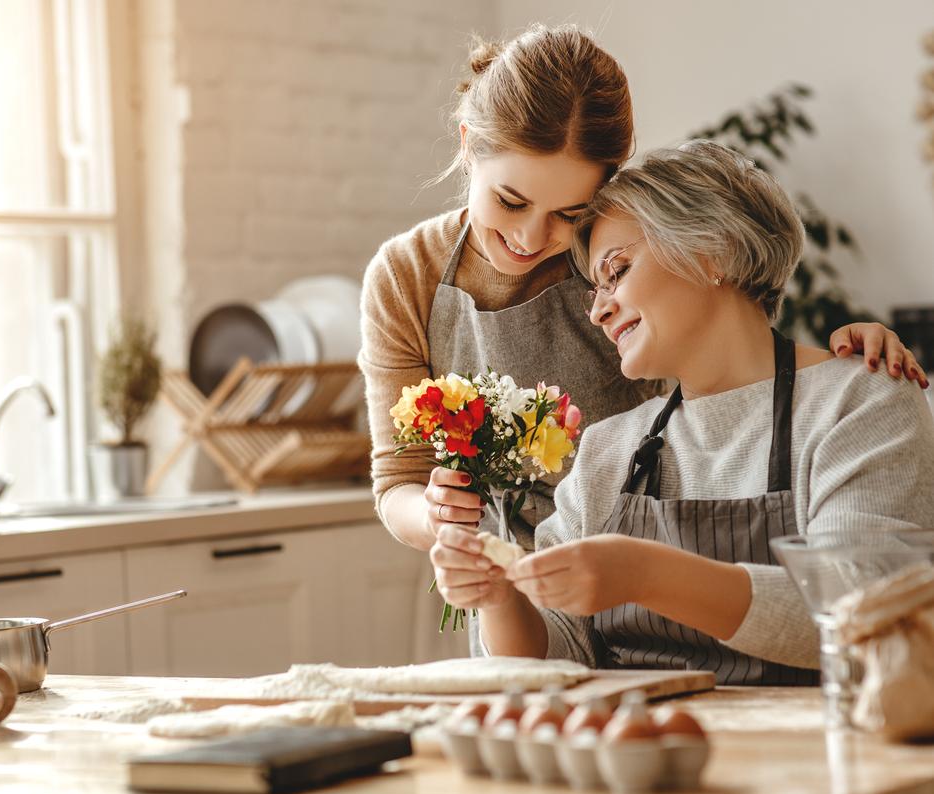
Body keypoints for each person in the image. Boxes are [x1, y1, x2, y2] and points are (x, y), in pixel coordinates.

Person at [360, 24, 925, 559]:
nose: (531, 238)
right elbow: (397, 482)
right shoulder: (406, 277)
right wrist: (440, 517)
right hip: (507, 588)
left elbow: (728, 382)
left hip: (636, 570)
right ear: (467, 147)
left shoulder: (620, 252)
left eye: (569, 212)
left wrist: (836, 367)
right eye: (510, 201)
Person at [429, 140, 934, 683]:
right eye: (595, 288)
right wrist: (500, 596)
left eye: (617, 271)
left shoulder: (860, 401)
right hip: (645, 757)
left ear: (710, 250)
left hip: (818, 755)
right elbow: (557, 655)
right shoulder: (608, 450)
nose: (598, 310)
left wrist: (646, 573)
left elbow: (862, 616)